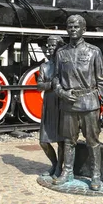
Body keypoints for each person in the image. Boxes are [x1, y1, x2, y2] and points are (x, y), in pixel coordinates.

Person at [52, 14, 103, 190]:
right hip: (69, 104)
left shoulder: (94, 52)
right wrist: (62, 92)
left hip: (89, 103)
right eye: (70, 26)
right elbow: (55, 79)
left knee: (93, 141)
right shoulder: (61, 53)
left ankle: (95, 175)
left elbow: (102, 80)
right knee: (68, 140)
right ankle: (67, 171)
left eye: (76, 26)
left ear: (83, 29)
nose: (72, 29)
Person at [37, 35, 65, 178]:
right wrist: (50, 85)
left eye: (53, 46)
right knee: (43, 141)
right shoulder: (44, 66)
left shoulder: (65, 65)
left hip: (61, 103)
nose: (49, 49)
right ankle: (54, 163)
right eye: (48, 46)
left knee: (61, 140)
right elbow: (39, 85)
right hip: (48, 103)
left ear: (59, 47)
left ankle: (59, 167)